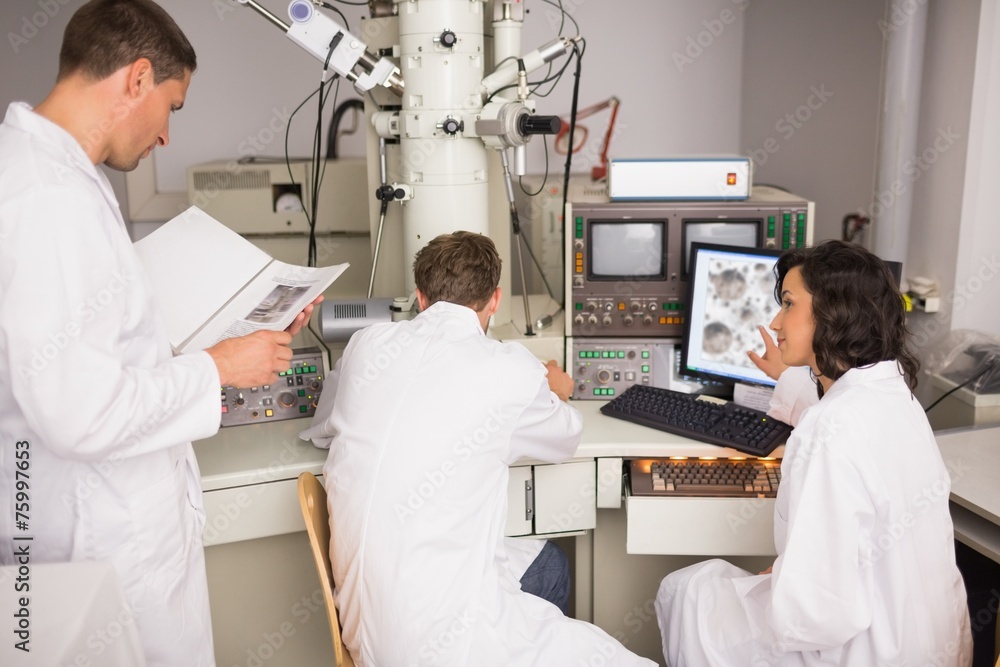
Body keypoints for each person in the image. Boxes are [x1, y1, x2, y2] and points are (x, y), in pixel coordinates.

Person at [0, 1, 317, 665]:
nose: (169, 135)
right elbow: (79, 415)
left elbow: (101, 345)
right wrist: (220, 368)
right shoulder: (48, 200)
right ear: (137, 79)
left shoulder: (56, 177)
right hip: (103, 534)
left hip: (109, 520)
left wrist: (243, 328)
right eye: (173, 106)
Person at [301, 231, 655, 666]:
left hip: (363, 632)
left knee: (548, 564)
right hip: (444, 645)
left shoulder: (365, 345)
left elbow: (325, 426)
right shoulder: (510, 368)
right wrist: (556, 390)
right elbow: (567, 438)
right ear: (495, 300)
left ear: (420, 297)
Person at [655, 240, 973, 666]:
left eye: (788, 304)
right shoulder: (895, 395)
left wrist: (790, 580)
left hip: (859, 651)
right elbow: (836, 409)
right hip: (928, 645)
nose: (775, 320)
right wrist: (795, 573)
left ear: (833, 312)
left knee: (688, 590)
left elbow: (814, 616)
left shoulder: (826, 433)